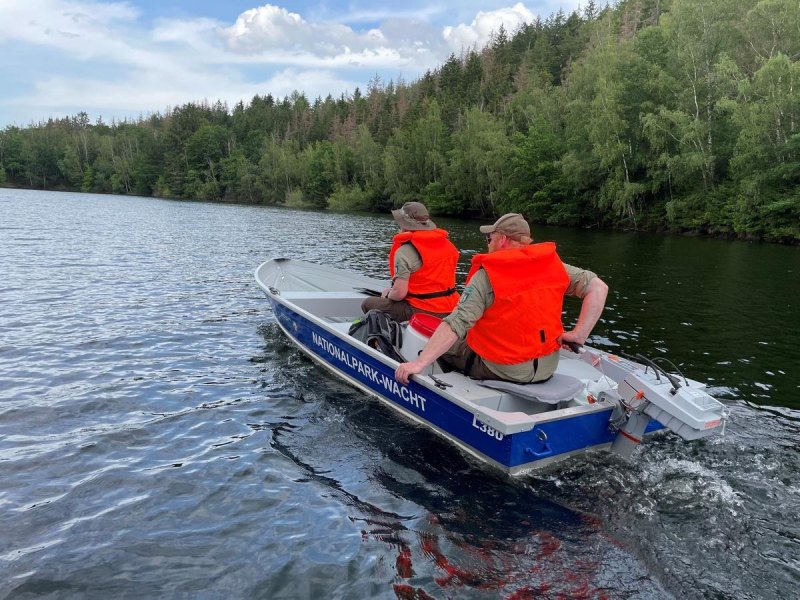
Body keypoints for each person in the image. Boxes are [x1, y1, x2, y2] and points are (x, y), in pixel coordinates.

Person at [395, 213, 608, 385]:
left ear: (502, 240)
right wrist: (579, 335)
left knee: (447, 345)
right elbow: (599, 288)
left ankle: (458, 385)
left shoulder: (487, 276)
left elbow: (456, 323)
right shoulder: (555, 266)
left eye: (489, 238)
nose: (488, 243)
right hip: (546, 368)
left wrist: (419, 363)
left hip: (505, 370)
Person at [361, 201, 460, 322]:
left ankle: (389, 338)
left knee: (367, 303)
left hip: (423, 310)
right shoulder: (449, 246)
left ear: (404, 225)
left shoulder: (404, 252)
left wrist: (387, 295)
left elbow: (399, 293)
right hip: (452, 309)